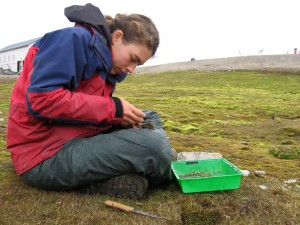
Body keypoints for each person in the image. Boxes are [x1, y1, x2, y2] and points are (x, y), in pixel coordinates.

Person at [6, 3, 175, 199]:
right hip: (42, 155)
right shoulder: (72, 41)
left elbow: (82, 110)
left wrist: (116, 117)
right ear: (117, 36)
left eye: (138, 64)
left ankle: (148, 162)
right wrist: (113, 110)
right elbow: (41, 100)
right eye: (133, 58)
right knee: (153, 146)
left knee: (149, 118)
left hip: (76, 135)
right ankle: (158, 162)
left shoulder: (105, 63)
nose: (131, 69)